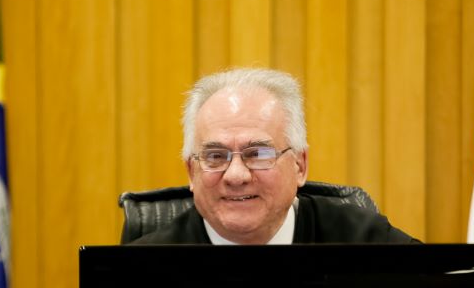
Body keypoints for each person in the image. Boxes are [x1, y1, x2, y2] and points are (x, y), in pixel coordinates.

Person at [131, 67, 418, 244]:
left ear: (299, 166)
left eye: (258, 154)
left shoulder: (366, 244)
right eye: (216, 156)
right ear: (191, 172)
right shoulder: (136, 273)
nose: (236, 175)